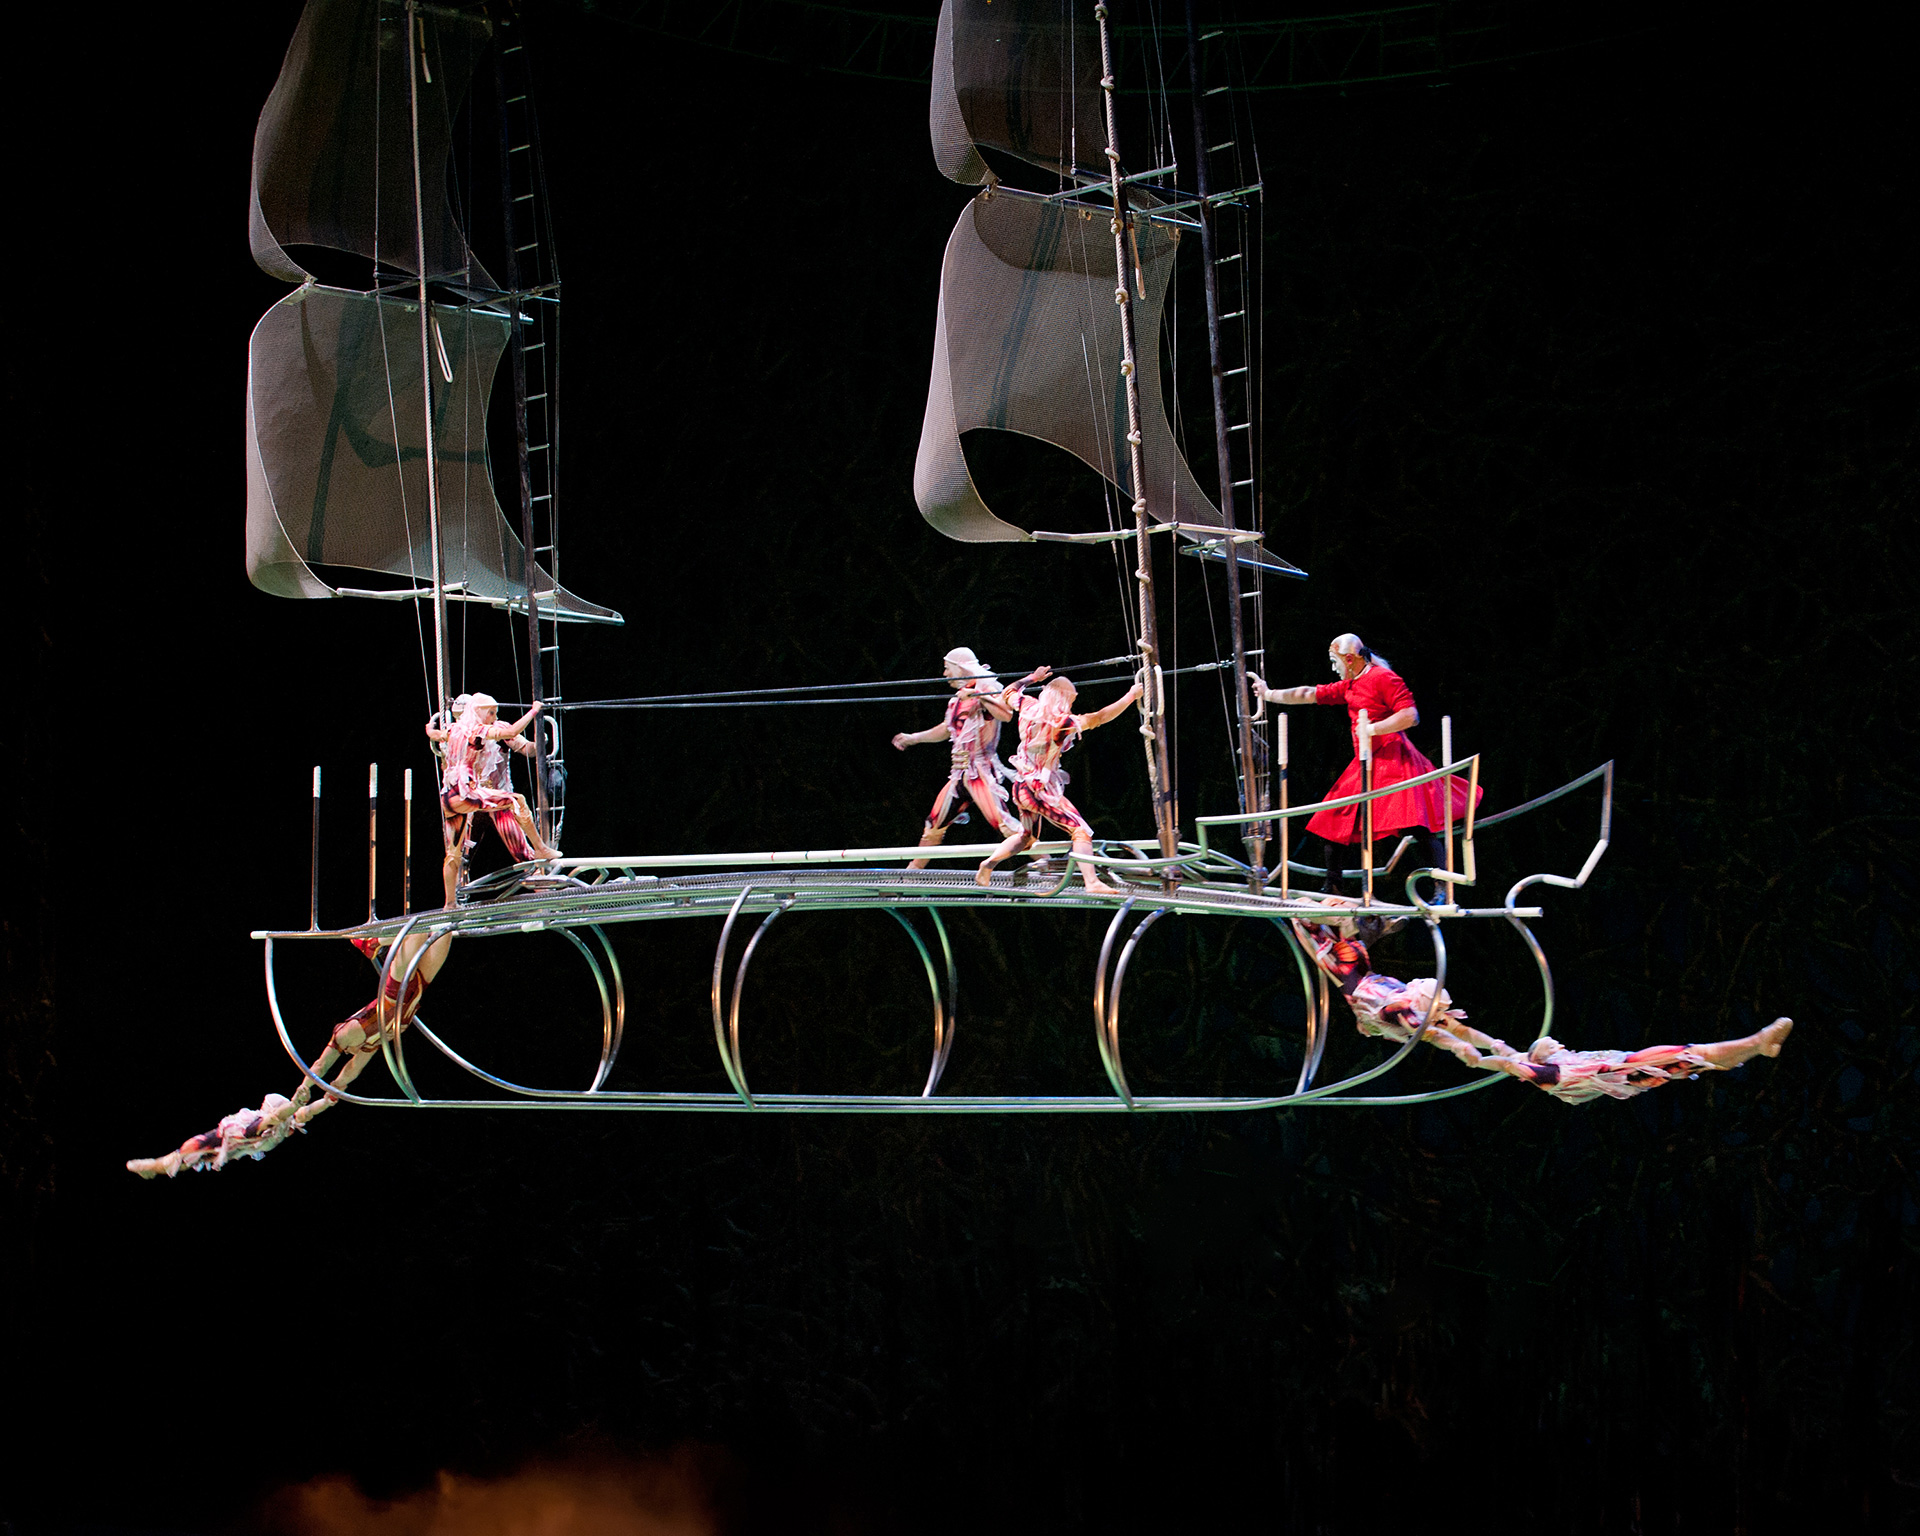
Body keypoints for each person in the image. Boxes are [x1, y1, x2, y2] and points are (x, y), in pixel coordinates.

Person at [1289, 897, 1792, 1103]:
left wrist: (1488, 1052)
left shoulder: (1399, 1005)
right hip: (1597, 1074)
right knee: (1675, 1058)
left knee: (1677, 1059)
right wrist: (1486, 1052)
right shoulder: (1399, 1005)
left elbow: (1476, 1045)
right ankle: (1747, 1047)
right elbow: (1471, 1046)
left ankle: (1749, 1047)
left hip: (1595, 1074)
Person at [126, 927, 454, 1177]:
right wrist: (327, 1097)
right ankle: (164, 1163)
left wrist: (308, 1091)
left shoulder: (347, 1041)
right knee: (436, 929)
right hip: (407, 998)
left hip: (397, 998)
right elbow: (332, 1087)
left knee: (206, 1145)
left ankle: (161, 1163)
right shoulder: (362, 1048)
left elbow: (321, 1072)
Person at [1253, 634, 1477, 900]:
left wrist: (1372, 729)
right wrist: (1268, 694)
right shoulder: (1350, 685)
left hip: (1394, 759)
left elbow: (1410, 715)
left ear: (1349, 659)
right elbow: (1309, 693)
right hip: (1367, 762)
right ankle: (1333, 886)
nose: (1333, 668)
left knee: (1417, 823)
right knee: (1334, 817)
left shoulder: (1383, 678)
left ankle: (1442, 887)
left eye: (1335, 661)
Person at [976, 667, 1144, 895]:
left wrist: (1032, 678)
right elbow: (1100, 717)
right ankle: (1092, 882)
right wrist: (1131, 696)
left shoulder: (1028, 706)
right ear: (1063, 699)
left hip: (1021, 785)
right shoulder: (1061, 723)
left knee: (1027, 836)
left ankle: (988, 864)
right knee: (1081, 831)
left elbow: (1008, 692)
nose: (1072, 706)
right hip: (1038, 789)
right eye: (1071, 701)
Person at [892, 647, 1024, 869]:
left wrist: (978, 697)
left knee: (1006, 825)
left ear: (960, 668)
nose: (945, 674)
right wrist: (913, 738)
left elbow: (1006, 714)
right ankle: (910, 876)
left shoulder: (986, 688)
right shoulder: (957, 699)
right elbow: (947, 728)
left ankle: (1046, 863)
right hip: (960, 772)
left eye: (947, 668)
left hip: (981, 770)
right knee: (933, 826)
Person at [425, 691, 559, 903]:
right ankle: (541, 849)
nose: (494, 717)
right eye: (491, 713)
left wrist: (429, 728)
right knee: (516, 801)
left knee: (456, 854)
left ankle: (450, 904)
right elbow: (512, 730)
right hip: (473, 795)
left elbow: (434, 734)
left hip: (457, 796)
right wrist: (533, 711)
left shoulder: (454, 730)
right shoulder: (477, 729)